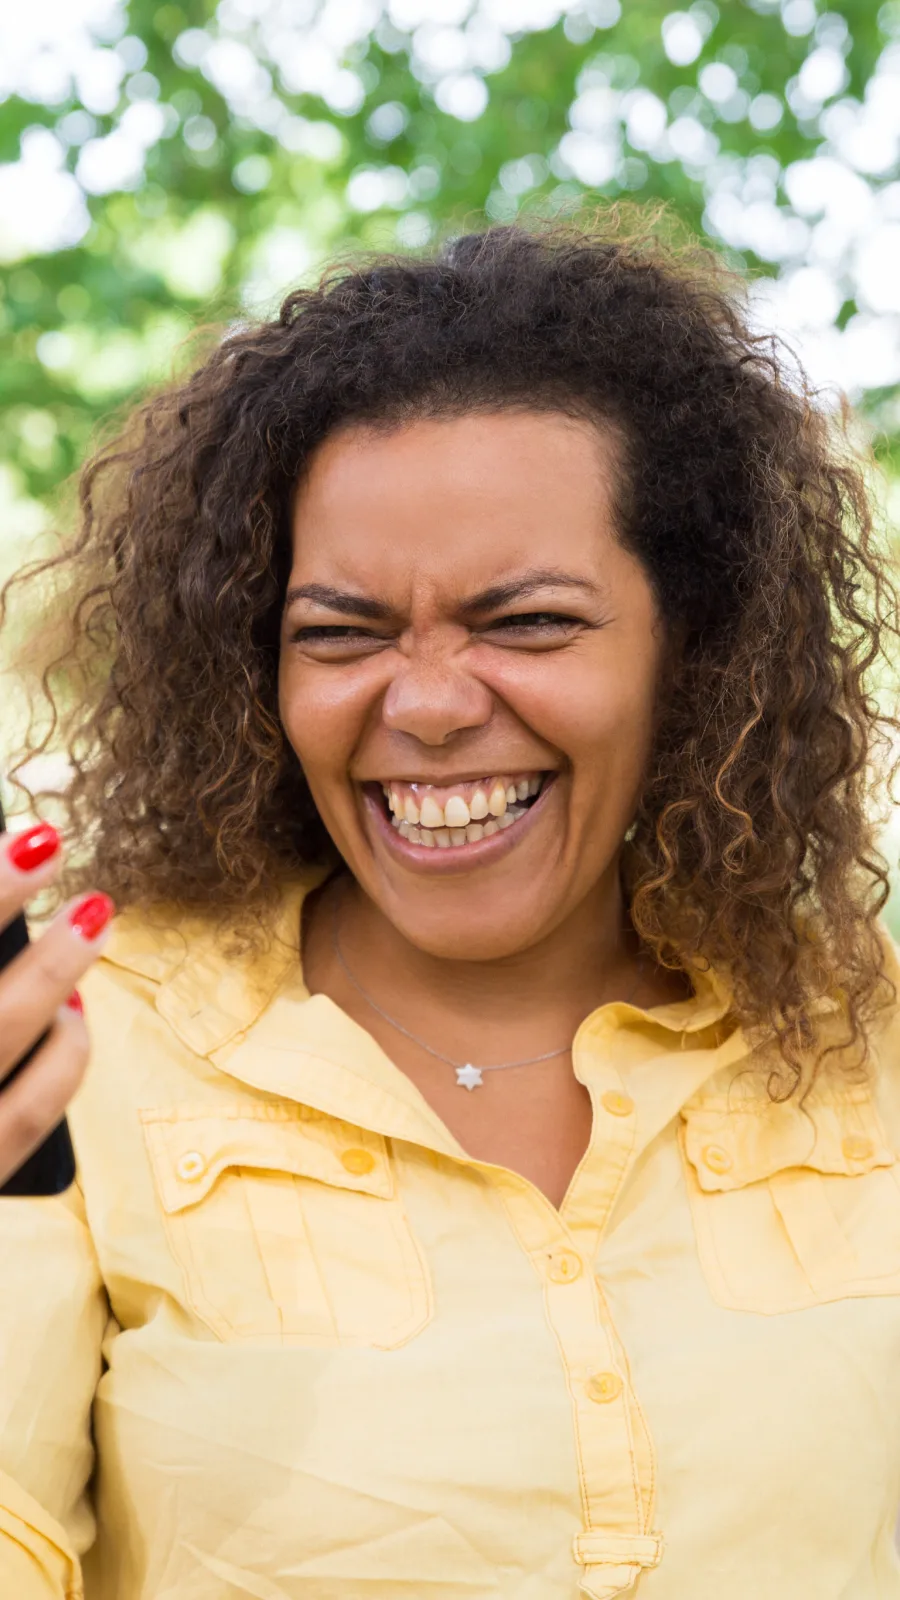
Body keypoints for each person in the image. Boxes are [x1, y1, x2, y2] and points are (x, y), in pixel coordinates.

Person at [1, 211, 899, 1599]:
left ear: (695, 648)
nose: (424, 706)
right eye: (339, 634)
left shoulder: (862, 1036)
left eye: (528, 623)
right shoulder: (78, 1054)